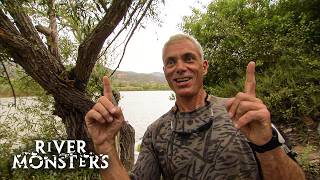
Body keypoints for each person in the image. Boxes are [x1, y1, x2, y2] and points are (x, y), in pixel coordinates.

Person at [85, 34, 305, 180]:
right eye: (171, 62)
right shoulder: (155, 132)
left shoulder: (242, 113)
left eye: (188, 59)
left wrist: (266, 143)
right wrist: (104, 148)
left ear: (204, 66)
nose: (180, 68)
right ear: (165, 73)